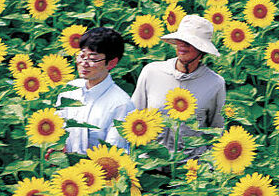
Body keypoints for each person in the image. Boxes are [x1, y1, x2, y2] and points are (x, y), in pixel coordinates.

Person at [131, 14, 225, 154]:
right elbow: (133, 115)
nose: (183, 45)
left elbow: (217, 131)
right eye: (180, 40)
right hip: (151, 161)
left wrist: (209, 167)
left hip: (191, 168)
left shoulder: (215, 83)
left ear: (202, 50)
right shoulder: (152, 72)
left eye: (190, 42)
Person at [56, 27, 135, 155]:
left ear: (111, 63)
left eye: (93, 59)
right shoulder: (69, 91)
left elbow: (113, 154)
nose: (84, 63)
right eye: (82, 55)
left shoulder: (121, 104)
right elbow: (57, 130)